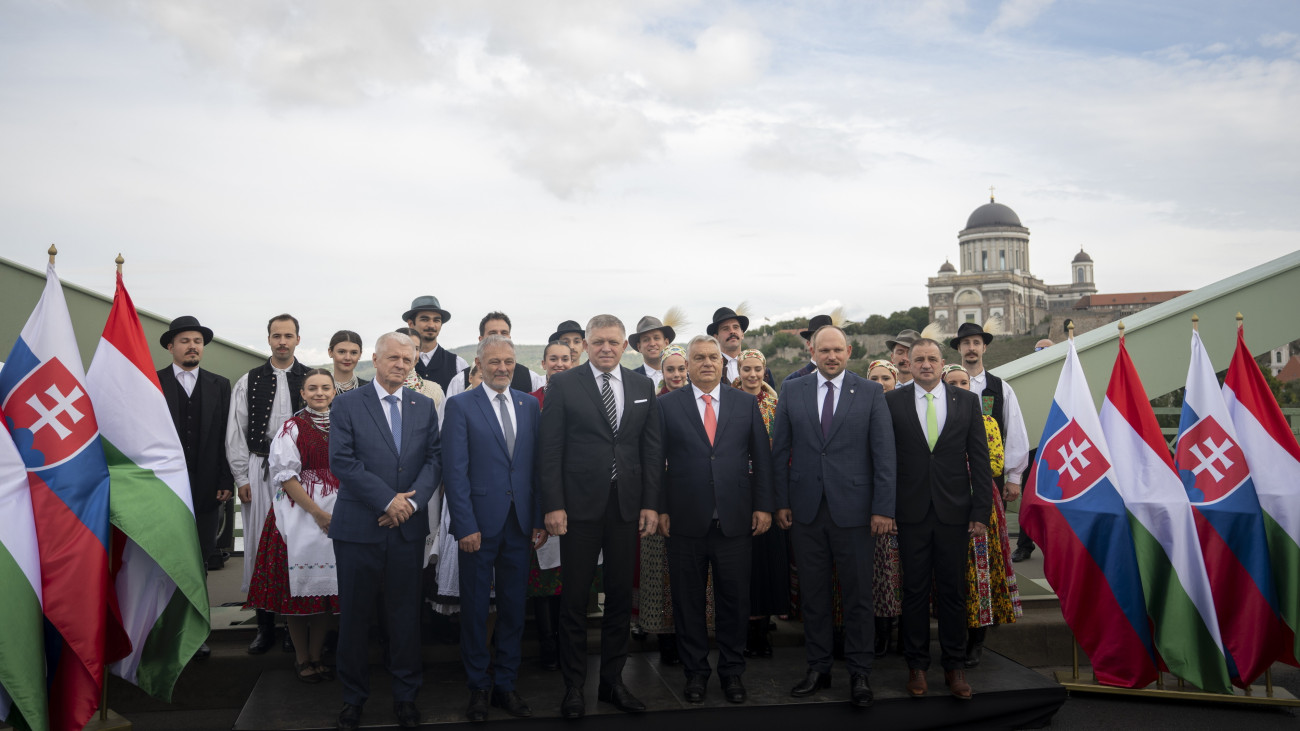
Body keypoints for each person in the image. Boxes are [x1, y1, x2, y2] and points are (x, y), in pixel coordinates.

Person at [539, 314, 662, 719]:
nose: (605, 348)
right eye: (597, 342)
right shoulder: (564, 384)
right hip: (578, 509)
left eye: (613, 341)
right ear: (584, 346)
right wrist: (553, 505)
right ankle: (574, 686)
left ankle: (612, 682)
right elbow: (550, 449)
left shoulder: (643, 385)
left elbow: (649, 449)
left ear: (625, 344)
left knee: (618, 600)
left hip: (626, 507)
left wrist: (649, 504)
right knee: (574, 600)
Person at [772, 325, 896, 709]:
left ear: (849, 351)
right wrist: (781, 502)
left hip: (857, 513)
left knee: (859, 597)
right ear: (812, 350)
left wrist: (882, 508)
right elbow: (780, 451)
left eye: (837, 350)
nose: (830, 356)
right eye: (823, 350)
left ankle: (860, 673)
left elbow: (884, 455)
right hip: (806, 511)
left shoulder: (872, 392)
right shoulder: (792, 391)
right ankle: (818, 667)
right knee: (813, 596)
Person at [329, 332, 442, 731]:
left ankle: (406, 696)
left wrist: (409, 504)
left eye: (407, 360)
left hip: (406, 530)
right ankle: (353, 698)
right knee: (356, 618)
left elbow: (433, 460)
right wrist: (386, 501)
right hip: (359, 529)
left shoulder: (424, 405)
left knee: (405, 617)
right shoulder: (345, 405)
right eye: (392, 357)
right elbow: (342, 461)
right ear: (374, 359)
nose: (400, 364)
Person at [657, 336, 773, 705]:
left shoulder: (744, 403)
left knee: (734, 603)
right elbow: (654, 464)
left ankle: (732, 673)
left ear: (724, 364)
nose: (707, 363)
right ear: (686, 365)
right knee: (688, 604)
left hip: (735, 521)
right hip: (684, 523)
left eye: (713, 357)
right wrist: (659, 509)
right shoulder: (667, 406)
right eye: (699, 358)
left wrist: (764, 506)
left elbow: (762, 460)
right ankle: (695, 674)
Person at [443, 335, 547, 721]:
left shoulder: (528, 405)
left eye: (508, 361)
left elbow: (535, 467)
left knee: (514, 609)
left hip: (520, 526)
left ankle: (506, 683)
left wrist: (537, 519)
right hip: (477, 528)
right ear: (479, 364)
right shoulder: (460, 406)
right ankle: (477, 687)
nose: (502, 368)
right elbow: (454, 472)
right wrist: (464, 524)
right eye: (494, 362)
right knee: (473, 608)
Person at [885, 338, 992, 701]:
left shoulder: (967, 401)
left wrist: (981, 511)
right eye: (919, 359)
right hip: (909, 513)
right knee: (913, 592)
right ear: (908, 364)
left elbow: (979, 459)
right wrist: (886, 509)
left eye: (932, 359)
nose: (926, 364)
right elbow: (884, 460)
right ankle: (916, 666)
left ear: (943, 363)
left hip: (955, 514)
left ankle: (954, 666)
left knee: (953, 593)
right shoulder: (892, 402)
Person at [245, 369, 342, 683]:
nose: (319, 393)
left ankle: (318, 655)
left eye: (325, 387)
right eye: (312, 388)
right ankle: (303, 658)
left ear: (334, 391)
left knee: (327, 589)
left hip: (338, 511)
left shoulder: (345, 425)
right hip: (299, 512)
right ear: (303, 393)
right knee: (297, 591)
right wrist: (316, 513)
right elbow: (286, 477)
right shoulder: (291, 428)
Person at [227, 313, 310, 654]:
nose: (282, 341)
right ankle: (264, 626)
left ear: (297, 340)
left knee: (297, 543)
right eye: (276, 335)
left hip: (302, 474)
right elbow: (236, 431)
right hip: (259, 468)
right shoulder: (250, 381)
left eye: (288, 335)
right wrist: (241, 477)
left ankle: (295, 626)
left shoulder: (311, 379)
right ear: (269, 339)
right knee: (260, 547)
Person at [156, 315, 233, 660]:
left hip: (206, 489)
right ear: (171, 346)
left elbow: (225, 439)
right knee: (165, 560)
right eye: (185, 341)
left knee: (201, 559)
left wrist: (224, 480)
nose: (192, 346)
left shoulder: (220, 384)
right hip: (164, 489)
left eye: (198, 341)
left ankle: (197, 631)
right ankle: (164, 631)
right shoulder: (152, 382)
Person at [942, 364, 1022, 668]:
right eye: (954, 382)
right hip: (945, 501)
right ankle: (954, 637)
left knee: (980, 571)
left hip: (979, 503)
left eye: (965, 382)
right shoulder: (936, 419)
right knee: (953, 571)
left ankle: (977, 640)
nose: (961, 387)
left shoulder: (986, 420)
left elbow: (996, 463)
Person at [732, 349, 789, 657]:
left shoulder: (777, 405)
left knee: (766, 565)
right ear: (737, 370)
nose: (752, 374)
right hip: (736, 493)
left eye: (757, 369)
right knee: (740, 565)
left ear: (765, 371)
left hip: (769, 490)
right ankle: (740, 630)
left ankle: (760, 630)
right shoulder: (728, 401)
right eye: (746, 368)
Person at [528, 341, 576, 670]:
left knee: (572, 576)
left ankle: (567, 643)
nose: (559, 364)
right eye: (553, 359)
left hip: (577, 500)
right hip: (542, 496)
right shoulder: (532, 403)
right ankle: (547, 645)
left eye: (565, 359)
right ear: (543, 363)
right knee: (543, 579)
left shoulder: (584, 398)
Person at [865, 360, 903, 656]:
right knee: (880, 574)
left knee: (905, 575)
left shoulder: (904, 409)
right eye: (874, 378)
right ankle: (880, 633)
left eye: (885, 378)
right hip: (874, 505)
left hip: (905, 504)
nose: (880, 383)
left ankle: (901, 634)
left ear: (895, 380)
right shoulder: (863, 411)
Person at [1012, 337, 1055, 563]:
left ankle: (1058, 545)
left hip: (1057, 445)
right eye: (1039, 350)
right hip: (1031, 446)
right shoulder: (1027, 378)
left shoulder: (1061, 377)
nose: (1042, 353)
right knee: (1028, 496)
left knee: (1059, 497)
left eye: (1046, 350)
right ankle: (1024, 545)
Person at [446, 312, 545, 398]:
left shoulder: (531, 378)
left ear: (509, 338)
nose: (498, 337)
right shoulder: (460, 381)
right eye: (493, 333)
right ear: (481, 340)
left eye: (504, 333)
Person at [404, 295, 467, 394]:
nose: (431, 325)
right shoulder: (400, 362)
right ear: (411, 324)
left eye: (436, 320)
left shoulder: (458, 364)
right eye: (424, 319)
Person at [707, 306, 776, 388]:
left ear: (742, 334)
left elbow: (772, 399)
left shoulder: (762, 370)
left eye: (736, 327)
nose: (732, 331)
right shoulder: (709, 369)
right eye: (725, 329)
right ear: (716, 337)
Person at [629, 313, 679, 391]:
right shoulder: (630, 380)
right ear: (639, 347)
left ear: (666, 343)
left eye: (656, 338)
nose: (652, 344)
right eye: (646, 340)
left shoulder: (681, 376)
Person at [782, 314, 833, 384]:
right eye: (817, 337)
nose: (824, 342)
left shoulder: (850, 379)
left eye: (828, 337)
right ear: (809, 344)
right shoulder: (792, 380)